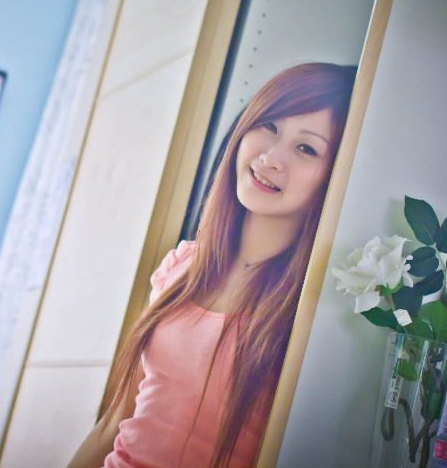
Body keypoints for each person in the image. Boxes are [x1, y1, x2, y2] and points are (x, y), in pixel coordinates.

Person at [67, 63, 356, 468]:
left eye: (306, 148)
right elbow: (113, 425)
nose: (271, 157)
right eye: (269, 126)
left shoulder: (309, 309)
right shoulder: (181, 265)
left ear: (336, 174)